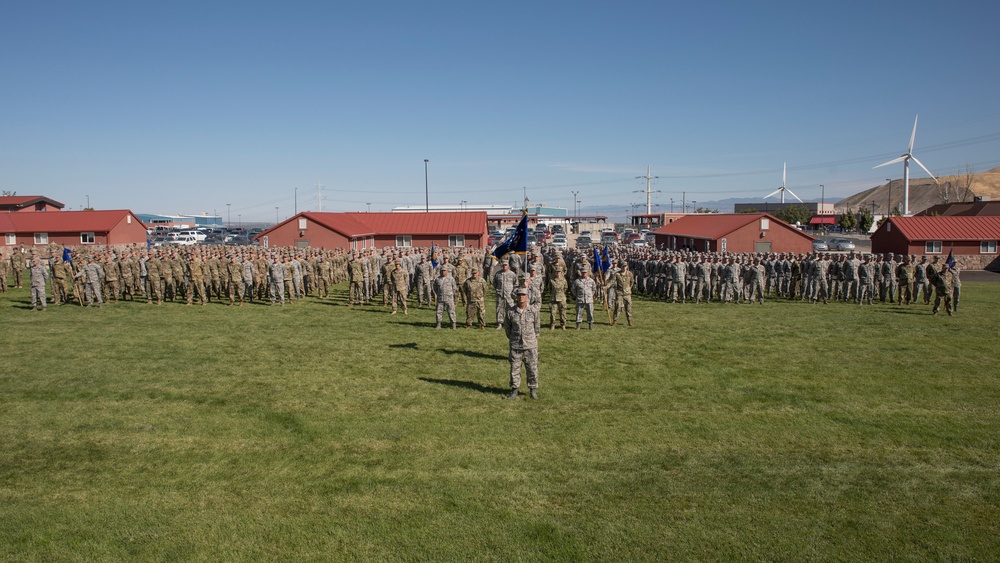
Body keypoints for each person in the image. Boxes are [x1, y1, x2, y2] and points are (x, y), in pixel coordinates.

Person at [503, 287, 539, 400]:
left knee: (532, 368)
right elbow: (507, 328)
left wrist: (531, 339)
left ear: (527, 296)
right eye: (519, 295)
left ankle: (532, 389)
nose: (521, 297)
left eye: (523, 295)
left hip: (530, 345)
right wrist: (513, 338)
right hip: (516, 345)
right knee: (515, 368)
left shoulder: (533, 311)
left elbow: (537, 328)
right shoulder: (510, 312)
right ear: (516, 297)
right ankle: (514, 390)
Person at [432, 265, 458, 329]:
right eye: (442, 271)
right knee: (439, 311)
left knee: (451, 311)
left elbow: (454, 288)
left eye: (444, 271)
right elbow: (434, 287)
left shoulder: (451, 279)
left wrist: (451, 294)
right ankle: (438, 324)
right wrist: (438, 293)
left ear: (447, 271)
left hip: (449, 298)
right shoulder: (438, 279)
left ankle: (453, 324)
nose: (443, 272)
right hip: (440, 298)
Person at [612, 261, 635, 325]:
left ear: (627, 267)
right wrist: (606, 287)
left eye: (625, 266)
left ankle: (629, 320)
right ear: (621, 267)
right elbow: (612, 281)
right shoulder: (617, 274)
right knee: (618, 307)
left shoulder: (630, 274)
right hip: (620, 293)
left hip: (627, 293)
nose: (624, 268)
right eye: (623, 266)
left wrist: (629, 288)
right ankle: (615, 320)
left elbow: (632, 281)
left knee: (628, 307)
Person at [547, 265, 568, 330]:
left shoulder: (564, 280)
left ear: (561, 273)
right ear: (555, 273)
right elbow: (549, 289)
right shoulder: (552, 280)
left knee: (563, 313)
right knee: (553, 313)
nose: (558, 273)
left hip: (562, 298)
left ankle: (563, 325)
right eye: (557, 272)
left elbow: (566, 288)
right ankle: (552, 324)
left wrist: (561, 294)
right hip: (553, 298)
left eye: (559, 272)